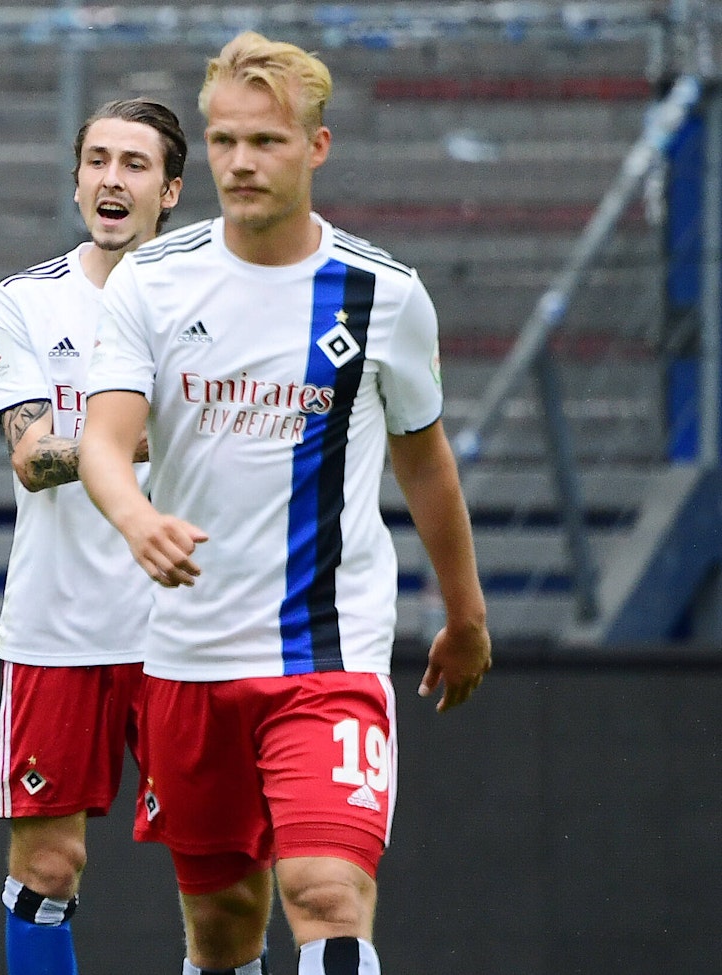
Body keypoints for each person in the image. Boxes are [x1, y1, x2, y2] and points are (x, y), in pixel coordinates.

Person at [76, 32, 493, 975]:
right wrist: (138, 518)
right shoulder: (153, 280)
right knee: (223, 929)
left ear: (317, 146)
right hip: (187, 660)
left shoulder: (382, 296)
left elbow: (424, 463)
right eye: (223, 141)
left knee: (326, 892)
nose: (239, 162)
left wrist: (464, 612)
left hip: (325, 654)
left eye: (265, 141)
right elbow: (103, 440)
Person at [0, 98, 184, 975]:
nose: (111, 178)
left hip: (189, 628)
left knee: (218, 868)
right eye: (97, 160)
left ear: (170, 190)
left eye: (134, 164)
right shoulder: (25, 300)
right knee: (48, 866)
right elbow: (30, 458)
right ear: (76, 181)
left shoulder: (209, 298)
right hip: (60, 628)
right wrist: (145, 435)